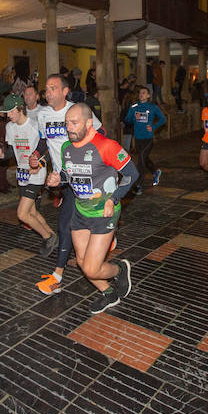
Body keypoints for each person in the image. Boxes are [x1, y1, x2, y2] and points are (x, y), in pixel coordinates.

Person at [45, 103, 137, 314]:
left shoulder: (106, 146)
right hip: (80, 211)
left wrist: (113, 199)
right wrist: (58, 179)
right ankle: (108, 293)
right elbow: (71, 176)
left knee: (91, 268)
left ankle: (120, 268)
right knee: (81, 261)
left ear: (88, 123)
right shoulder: (66, 148)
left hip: (104, 213)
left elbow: (132, 174)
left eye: (74, 123)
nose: (69, 128)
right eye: (66, 123)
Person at [27, 74, 103, 295]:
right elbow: (44, 140)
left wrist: (86, 160)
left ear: (65, 91)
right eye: (46, 89)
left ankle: (58, 276)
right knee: (72, 224)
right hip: (63, 178)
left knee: (69, 223)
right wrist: (36, 155)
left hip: (82, 175)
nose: (48, 92)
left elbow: (101, 135)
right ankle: (103, 240)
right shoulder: (43, 114)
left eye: (53, 88)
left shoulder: (78, 110)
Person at [0, 94, 56, 247]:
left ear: (20, 109)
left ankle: (48, 238)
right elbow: (12, 152)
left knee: (22, 214)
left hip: (36, 174)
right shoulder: (10, 127)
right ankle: (53, 235)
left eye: (10, 111)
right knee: (32, 212)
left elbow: (50, 149)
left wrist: (39, 165)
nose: (8, 115)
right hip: (22, 174)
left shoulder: (35, 126)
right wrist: (1, 154)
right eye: (6, 113)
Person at [124, 86, 166, 195]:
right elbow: (128, 120)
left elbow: (163, 119)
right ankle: (155, 172)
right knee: (145, 159)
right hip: (138, 138)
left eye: (144, 93)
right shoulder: (135, 106)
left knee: (141, 159)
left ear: (148, 96)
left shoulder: (153, 107)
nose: (141, 94)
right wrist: (131, 111)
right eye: (140, 93)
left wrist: (154, 126)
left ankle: (139, 184)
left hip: (148, 138)